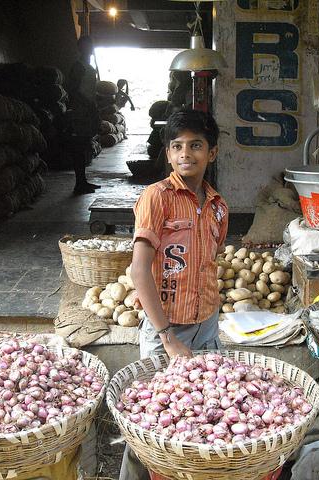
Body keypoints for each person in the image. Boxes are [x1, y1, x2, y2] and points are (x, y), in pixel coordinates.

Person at [119, 109, 228, 480]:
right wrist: (166, 337)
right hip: (166, 329)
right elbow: (138, 270)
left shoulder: (217, 206)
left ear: (211, 152)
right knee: (151, 426)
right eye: (177, 145)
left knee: (200, 419)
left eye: (196, 145)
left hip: (207, 328)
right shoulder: (157, 198)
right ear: (167, 154)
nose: (186, 154)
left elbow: (210, 262)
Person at [65, 35, 101, 194]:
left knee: (84, 145)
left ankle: (83, 181)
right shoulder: (78, 66)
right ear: (81, 48)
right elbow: (73, 89)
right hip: (81, 111)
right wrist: (87, 105)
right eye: (87, 46)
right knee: (78, 146)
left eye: (91, 45)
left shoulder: (88, 66)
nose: (90, 49)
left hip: (88, 109)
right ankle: (79, 183)